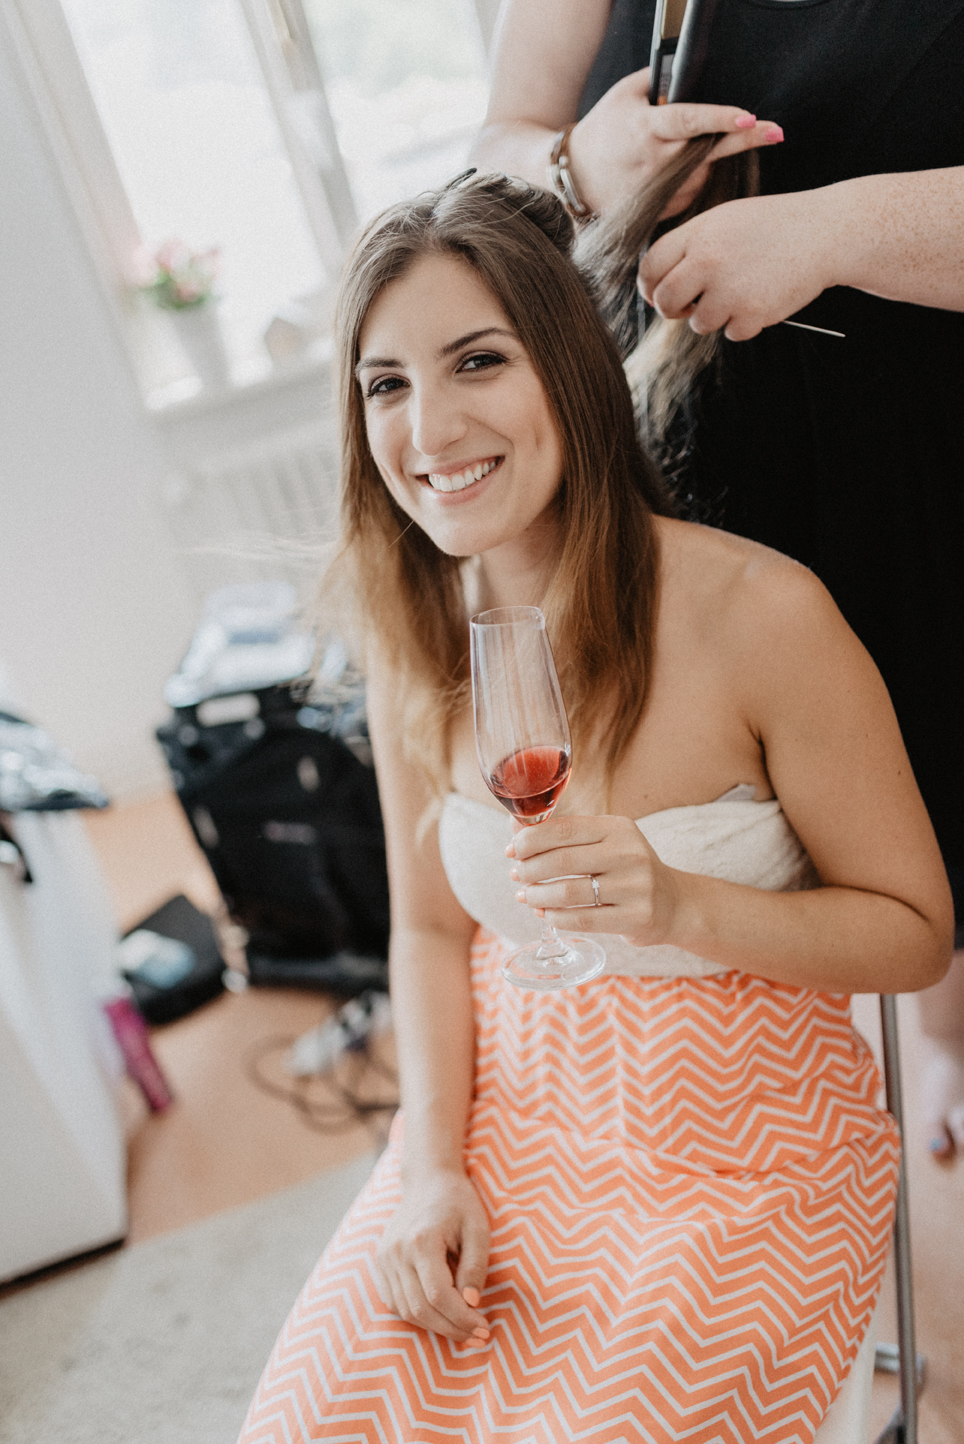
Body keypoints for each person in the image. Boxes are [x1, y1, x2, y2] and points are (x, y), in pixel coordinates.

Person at [236, 173, 952, 1444]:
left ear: (570, 368)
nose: (432, 426)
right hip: (505, 1132)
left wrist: (680, 904)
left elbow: (909, 930)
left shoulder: (759, 614)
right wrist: (431, 1174)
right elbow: (431, 935)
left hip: (746, 1158)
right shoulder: (414, 634)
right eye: (387, 384)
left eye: (476, 361)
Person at [471, 0, 964, 1159]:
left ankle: (941, 1027)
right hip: (692, 450)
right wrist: (568, 164)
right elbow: (500, 138)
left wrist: (838, 232)